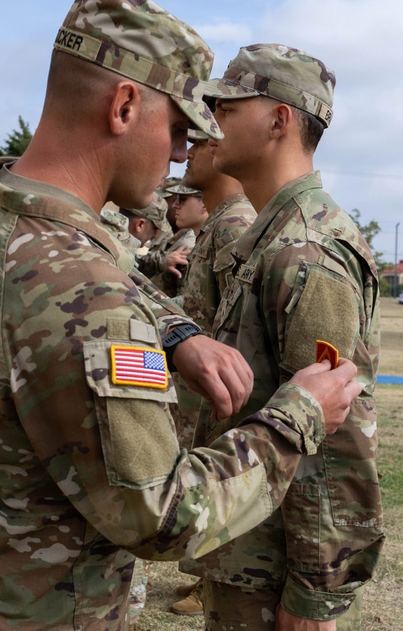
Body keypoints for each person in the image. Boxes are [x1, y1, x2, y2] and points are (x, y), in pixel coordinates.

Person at [0, 0, 363, 630]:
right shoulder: (90, 300)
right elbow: (162, 516)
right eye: (180, 127)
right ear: (124, 105)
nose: (185, 153)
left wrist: (179, 332)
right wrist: (299, 415)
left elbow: (99, 264)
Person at [182, 44, 384, 631]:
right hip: (249, 544)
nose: (210, 120)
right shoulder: (271, 237)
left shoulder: (306, 249)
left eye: (227, 106)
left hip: (273, 571)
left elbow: (334, 437)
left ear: (279, 120)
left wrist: (316, 594)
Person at [170, 128, 258, 617]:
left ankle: (211, 581)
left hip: (217, 390)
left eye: (199, 143)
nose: (187, 154)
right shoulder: (219, 223)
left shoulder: (232, 226)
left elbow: (235, 323)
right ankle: (206, 578)